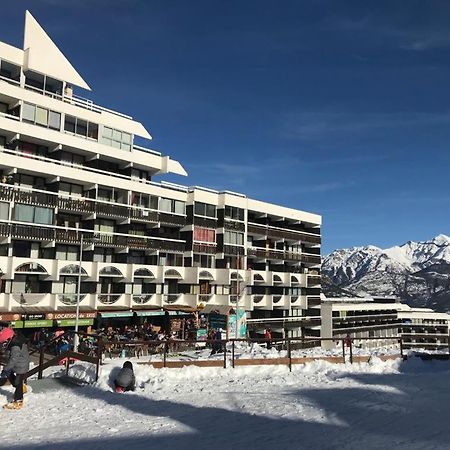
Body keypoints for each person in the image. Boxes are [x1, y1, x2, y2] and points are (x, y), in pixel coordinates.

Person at [0, 327, 30, 410]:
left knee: (17, 382)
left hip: (21, 365)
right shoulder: (15, 340)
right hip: (18, 364)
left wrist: (6, 369)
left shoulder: (15, 346)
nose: (5, 343)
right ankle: (21, 388)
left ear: (9, 338)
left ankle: (18, 401)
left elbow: (13, 359)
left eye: (5, 341)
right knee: (13, 378)